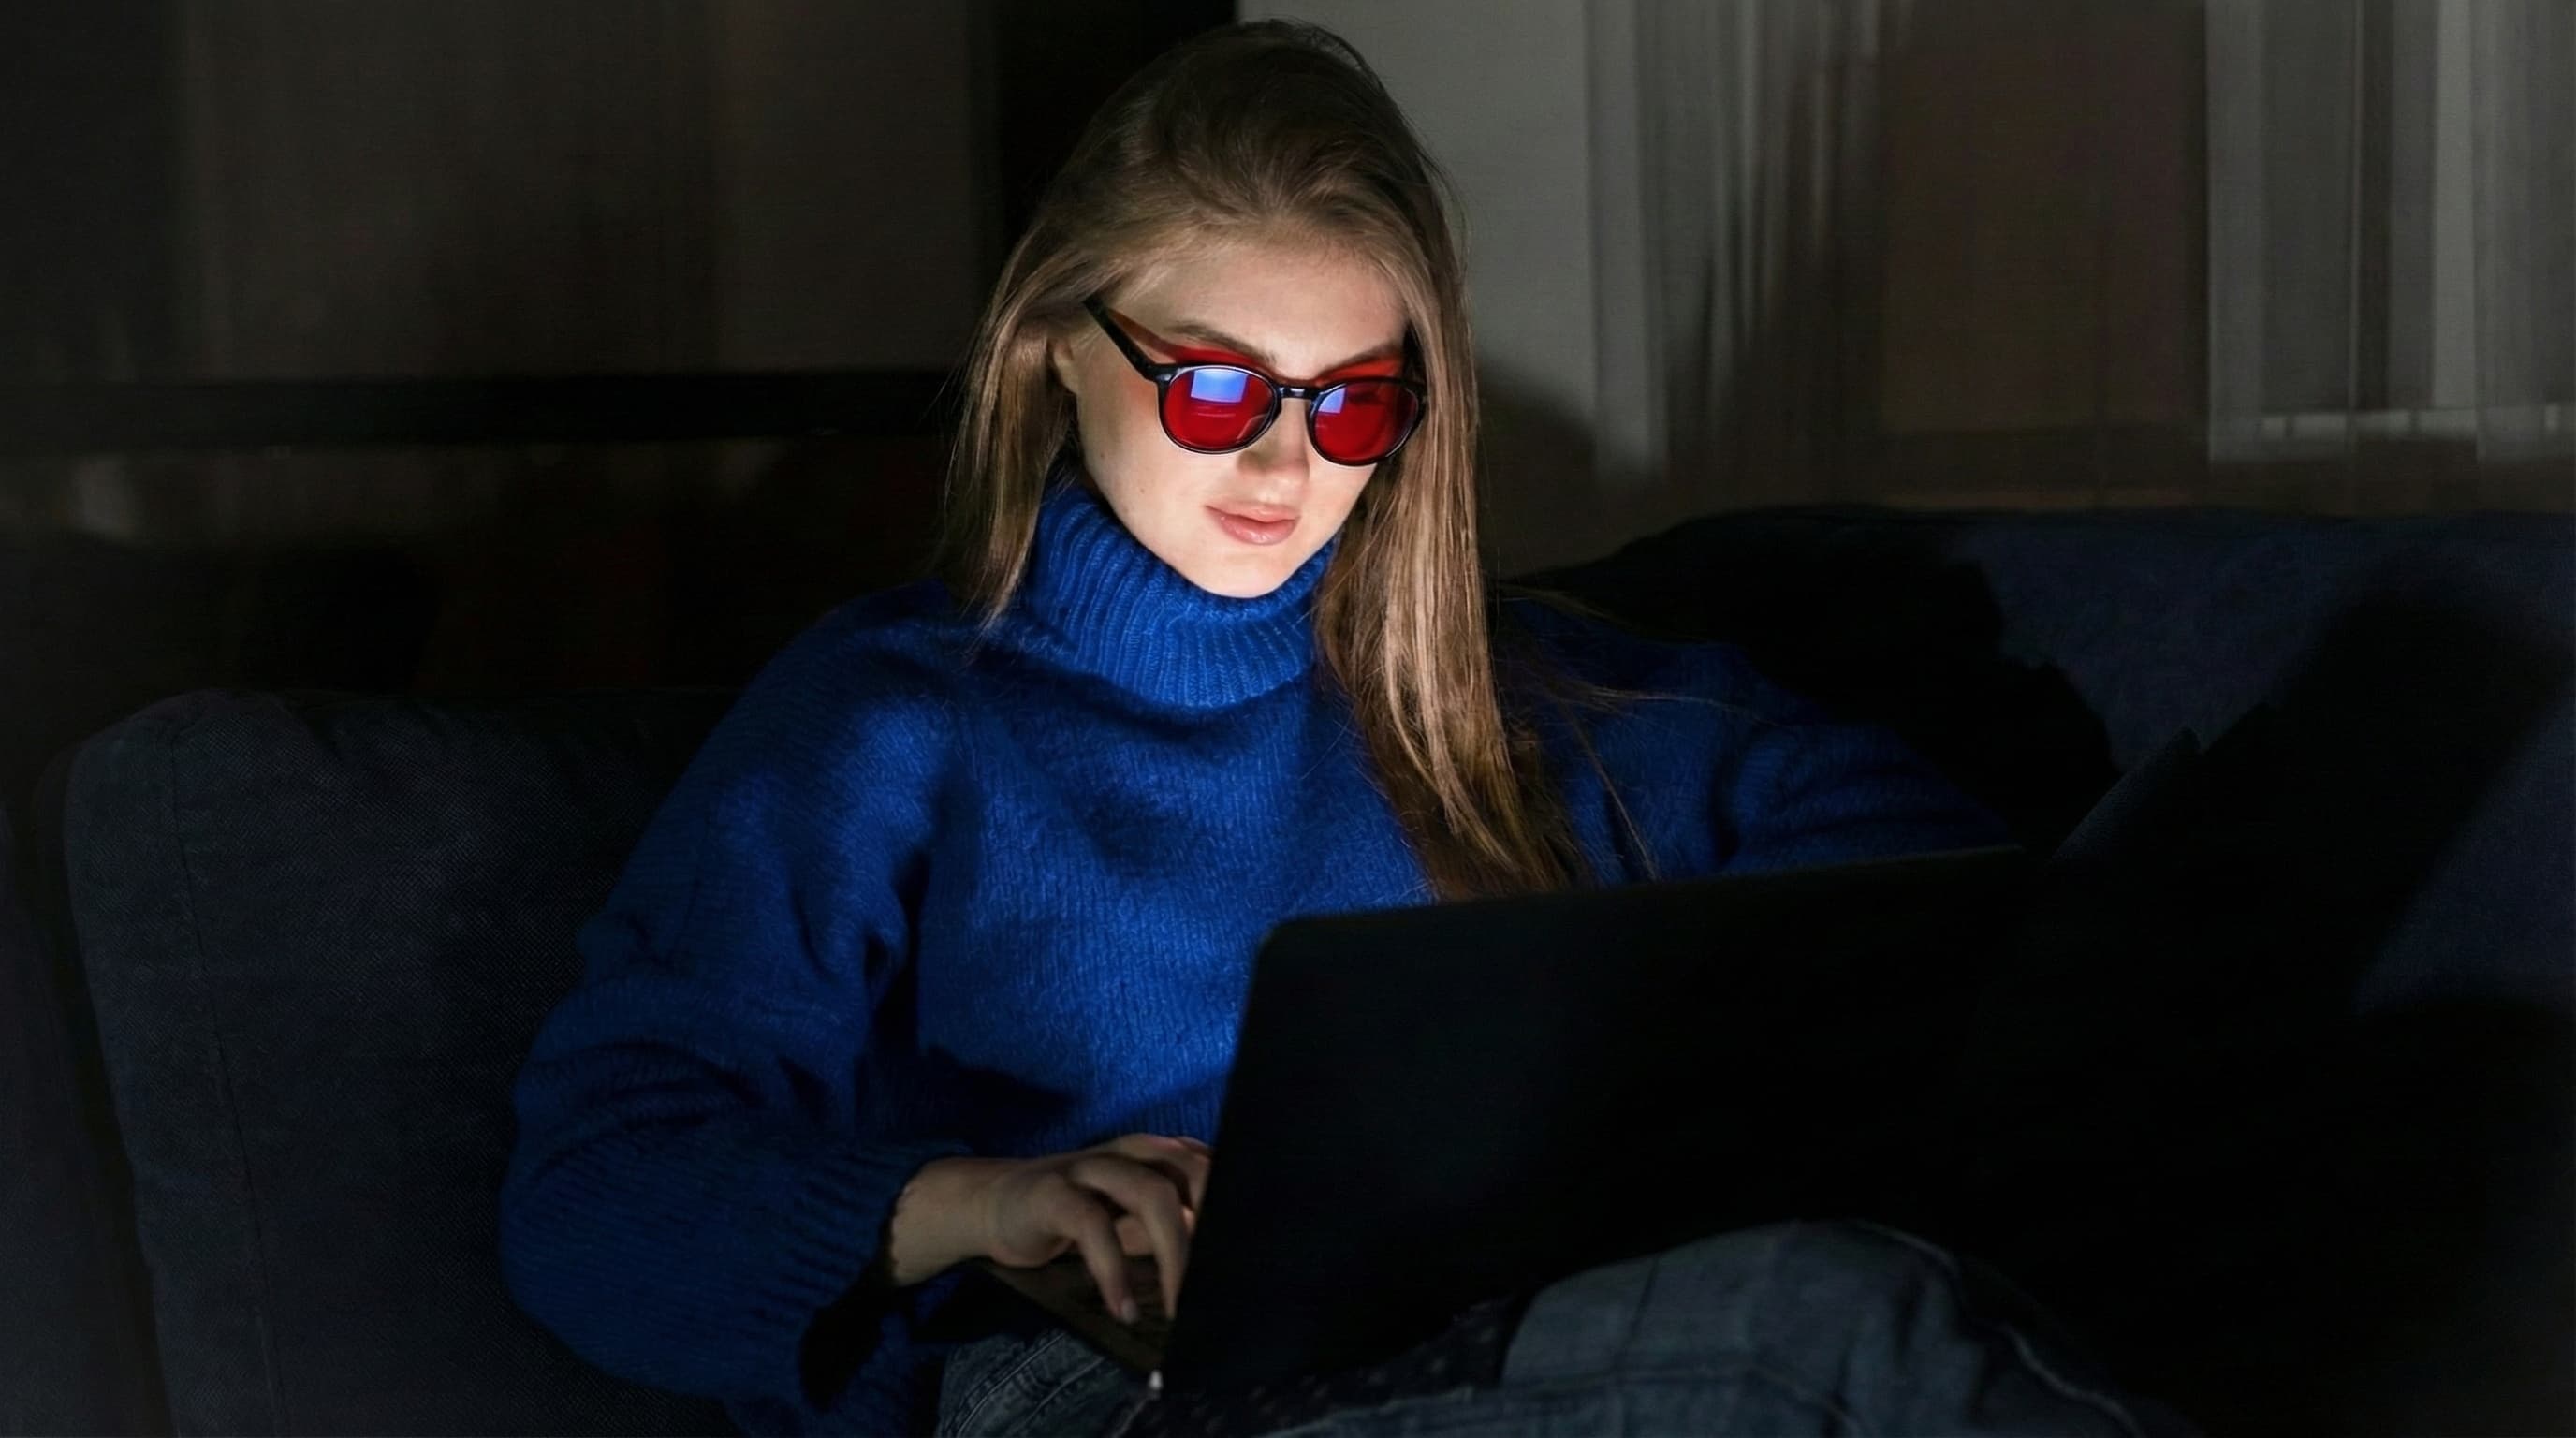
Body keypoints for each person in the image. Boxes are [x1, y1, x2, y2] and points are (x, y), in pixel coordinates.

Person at [500, 19, 2187, 1438]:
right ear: (1048, 356)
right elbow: (592, 1193)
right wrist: (980, 1203)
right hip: (1090, 1392)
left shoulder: (1502, 694)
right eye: (1218, 386)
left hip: (1493, 1331)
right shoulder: (891, 720)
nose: (1283, 467)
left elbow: (1934, 887)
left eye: (1355, 402)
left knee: (1860, 1303)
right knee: (1829, 1331)